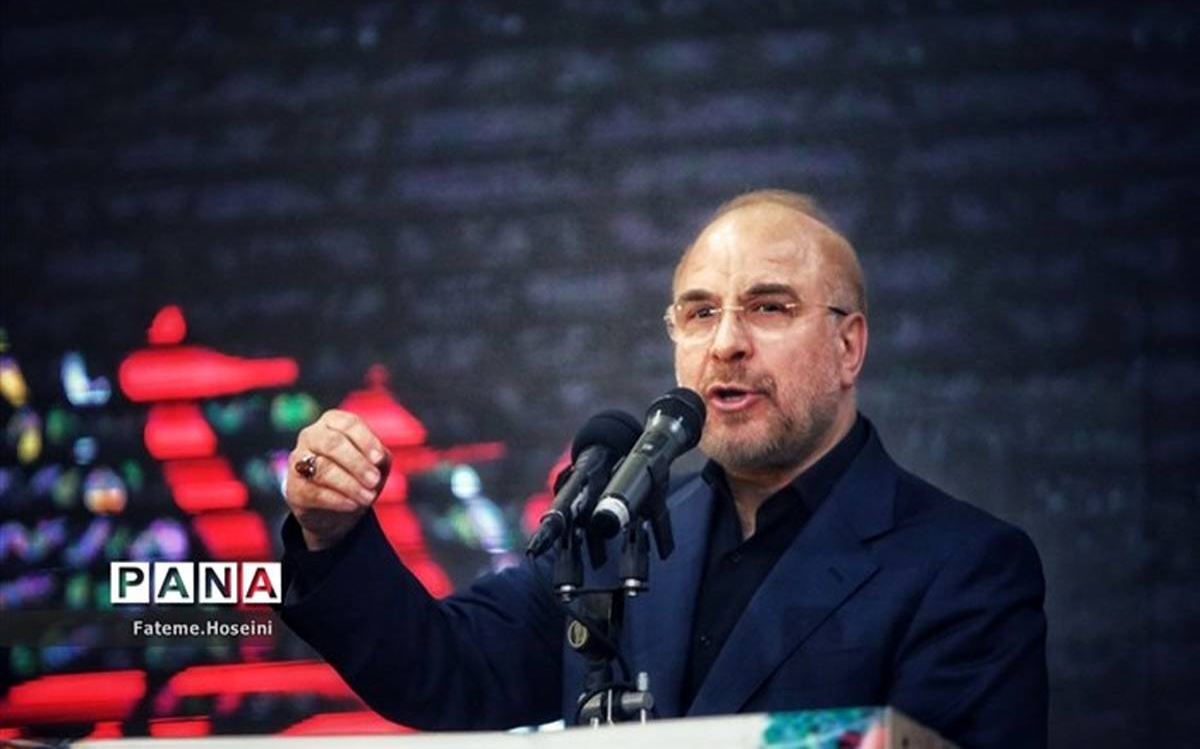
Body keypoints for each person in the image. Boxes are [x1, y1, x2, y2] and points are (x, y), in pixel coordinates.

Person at [278, 190, 1048, 747]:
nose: (727, 343)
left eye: (770, 307)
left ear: (849, 346)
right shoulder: (614, 532)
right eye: (700, 312)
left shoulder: (964, 568)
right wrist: (330, 534)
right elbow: (441, 667)